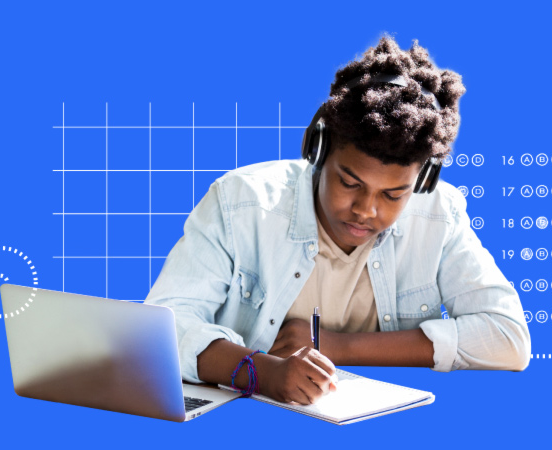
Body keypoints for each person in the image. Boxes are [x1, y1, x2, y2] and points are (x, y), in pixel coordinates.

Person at [145, 35, 531, 405]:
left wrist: (336, 345)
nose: (366, 209)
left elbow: (508, 338)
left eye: (393, 194)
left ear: (423, 181)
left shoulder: (438, 215)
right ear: (318, 150)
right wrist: (263, 373)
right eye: (349, 182)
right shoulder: (240, 202)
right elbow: (161, 329)